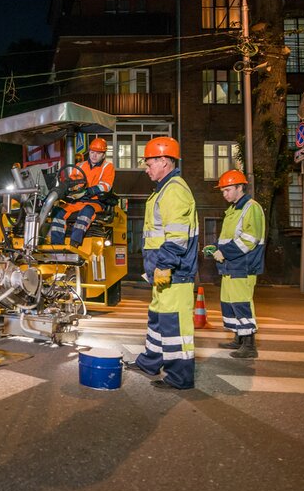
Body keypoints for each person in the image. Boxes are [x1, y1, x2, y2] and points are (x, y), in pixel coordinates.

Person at [125, 136, 198, 390]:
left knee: (174, 327)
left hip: (173, 274)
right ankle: (150, 362)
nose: (146, 169)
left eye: (149, 163)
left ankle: (180, 378)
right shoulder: (164, 190)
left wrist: (165, 265)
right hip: (161, 273)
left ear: (164, 161)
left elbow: (176, 236)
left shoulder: (174, 190)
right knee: (158, 321)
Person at [204, 169, 266, 359]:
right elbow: (228, 238)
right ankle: (239, 338)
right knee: (230, 302)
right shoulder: (233, 210)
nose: (225, 194)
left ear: (240, 187)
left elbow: (250, 238)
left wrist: (224, 252)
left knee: (241, 303)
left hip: (243, 265)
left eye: (228, 190)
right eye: (223, 191)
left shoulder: (251, 207)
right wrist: (215, 247)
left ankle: (249, 345)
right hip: (231, 265)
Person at [48, 137, 115, 248]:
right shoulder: (80, 166)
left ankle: (74, 243)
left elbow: (106, 186)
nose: (94, 155)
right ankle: (57, 245)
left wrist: (89, 191)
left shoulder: (108, 167)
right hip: (77, 201)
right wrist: (67, 189)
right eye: (92, 152)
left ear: (103, 155)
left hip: (95, 201)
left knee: (86, 212)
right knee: (58, 212)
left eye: (98, 153)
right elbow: (72, 182)